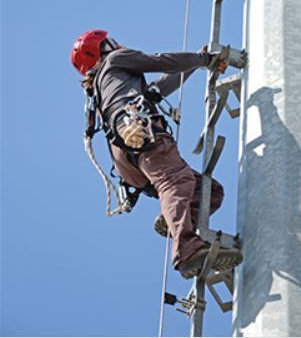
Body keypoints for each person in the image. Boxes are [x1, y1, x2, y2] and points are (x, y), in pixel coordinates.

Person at [71, 29, 242, 279]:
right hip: (139, 131)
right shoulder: (115, 60)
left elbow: (158, 89)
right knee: (176, 181)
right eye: (111, 42)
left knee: (208, 191)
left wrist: (196, 63)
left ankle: (174, 220)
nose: (118, 43)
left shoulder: (106, 87)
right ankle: (187, 250)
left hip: (126, 158)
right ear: (101, 50)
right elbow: (161, 61)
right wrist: (204, 60)